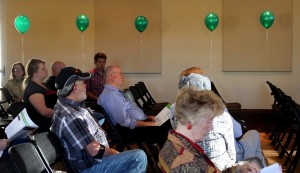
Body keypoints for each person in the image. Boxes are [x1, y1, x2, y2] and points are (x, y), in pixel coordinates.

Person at [51, 67, 147, 173]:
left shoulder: (71, 106)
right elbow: (94, 150)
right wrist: (115, 153)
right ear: (75, 88)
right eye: (83, 83)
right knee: (138, 157)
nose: (86, 86)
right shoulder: (70, 116)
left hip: (97, 161)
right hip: (91, 167)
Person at [170, 67, 266, 170]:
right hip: (221, 166)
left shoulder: (174, 110)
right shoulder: (218, 110)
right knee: (254, 135)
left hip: (192, 164)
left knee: (255, 158)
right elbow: (237, 134)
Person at [159, 87, 261, 173]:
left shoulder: (173, 142)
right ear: (190, 122)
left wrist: (239, 167)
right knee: (257, 160)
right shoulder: (186, 163)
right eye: (208, 121)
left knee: (254, 162)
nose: (211, 127)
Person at [98, 66, 172, 147]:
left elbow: (130, 112)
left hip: (136, 125)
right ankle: (166, 157)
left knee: (168, 121)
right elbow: (124, 122)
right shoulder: (111, 95)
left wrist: (148, 118)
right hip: (130, 131)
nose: (123, 76)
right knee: (166, 130)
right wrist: (147, 124)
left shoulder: (114, 93)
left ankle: (166, 155)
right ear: (112, 76)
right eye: (121, 74)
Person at [23, 59, 57, 132]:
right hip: (43, 127)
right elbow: (44, 112)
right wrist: (63, 113)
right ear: (34, 72)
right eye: (43, 69)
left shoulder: (42, 84)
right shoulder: (33, 89)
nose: (46, 70)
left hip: (52, 122)